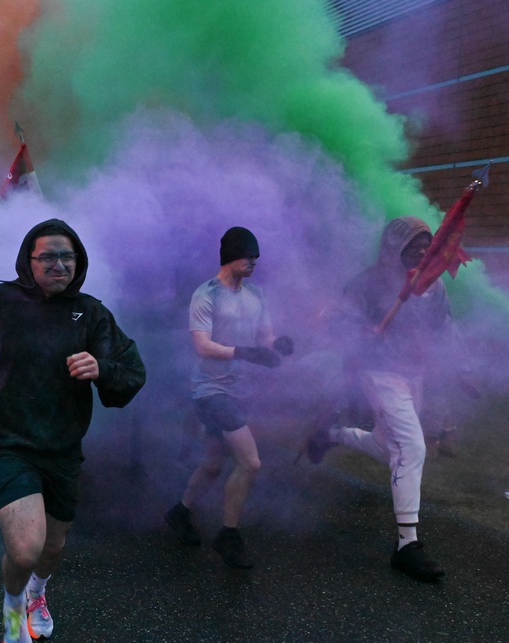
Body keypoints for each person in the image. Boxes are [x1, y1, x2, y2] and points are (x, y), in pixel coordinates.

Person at [0, 219, 146, 643]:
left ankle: (37, 593)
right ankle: (13, 607)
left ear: (78, 262)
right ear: (28, 260)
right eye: (48, 256)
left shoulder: (91, 313)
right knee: (25, 548)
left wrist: (103, 368)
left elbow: (130, 372)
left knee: (53, 547)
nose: (59, 264)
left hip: (62, 447)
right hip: (8, 445)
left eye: (68, 257)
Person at [306, 216, 455, 583]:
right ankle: (407, 545)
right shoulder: (367, 283)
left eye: (428, 242)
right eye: (416, 243)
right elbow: (336, 326)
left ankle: (332, 434)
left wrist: (458, 368)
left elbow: (444, 329)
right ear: (394, 246)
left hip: (412, 375)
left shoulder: (432, 287)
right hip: (379, 374)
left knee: (389, 445)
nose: (424, 248)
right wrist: (364, 333)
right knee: (411, 447)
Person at [163, 226, 290, 570]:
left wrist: (277, 346)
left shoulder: (256, 294)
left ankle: (180, 512)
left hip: (240, 391)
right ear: (230, 255)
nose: (254, 261)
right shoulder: (206, 295)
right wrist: (246, 353)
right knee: (251, 462)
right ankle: (228, 536)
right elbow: (202, 346)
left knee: (215, 462)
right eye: (248, 255)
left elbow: (265, 335)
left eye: (255, 257)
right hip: (211, 392)